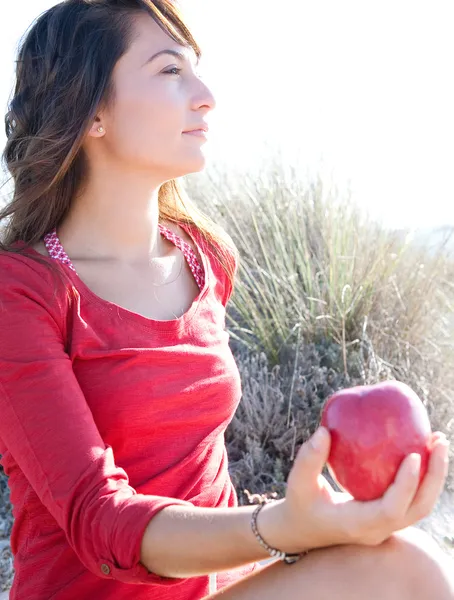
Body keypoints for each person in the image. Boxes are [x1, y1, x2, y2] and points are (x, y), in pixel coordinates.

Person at [0, 0, 452, 598]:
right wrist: (285, 527)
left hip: (216, 589)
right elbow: (98, 518)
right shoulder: (20, 292)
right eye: (169, 71)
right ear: (91, 112)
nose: (206, 94)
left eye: (197, 69)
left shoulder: (203, 257)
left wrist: (324, 524)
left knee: (412, 566)